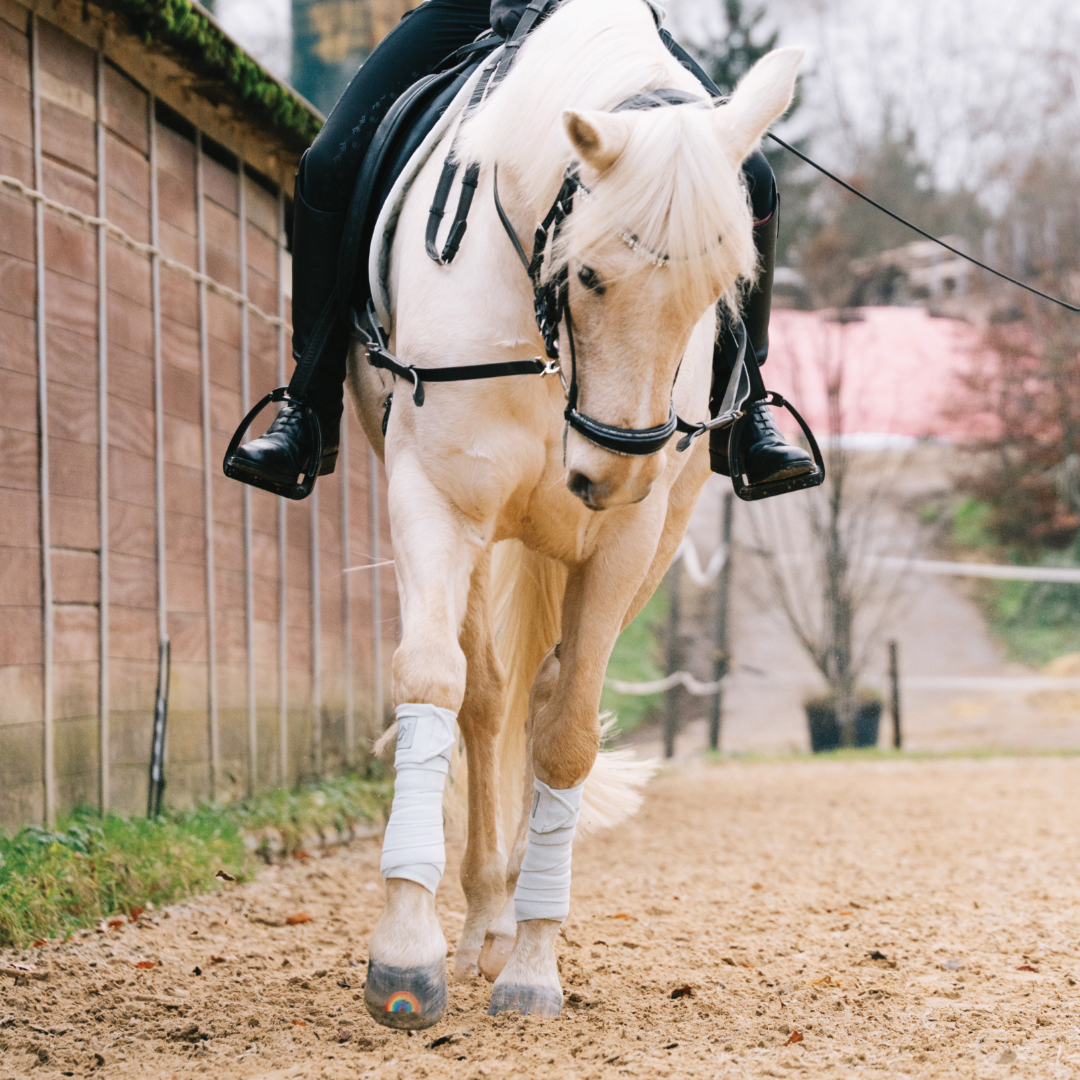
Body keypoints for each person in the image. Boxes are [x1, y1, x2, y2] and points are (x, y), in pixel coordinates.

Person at [224, 0, 813, 495]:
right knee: (328, 164)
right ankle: (309, 404)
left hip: (607, 18)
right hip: (476, 9)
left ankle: (745, 409)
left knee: (752, 175)